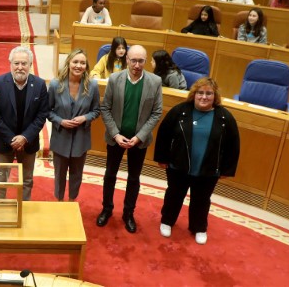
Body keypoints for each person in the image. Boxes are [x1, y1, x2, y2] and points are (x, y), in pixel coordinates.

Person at [154, 77, 240, 245]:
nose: (204, 97)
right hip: (178, 165)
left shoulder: (224, 117)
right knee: (174, 194)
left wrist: (226, 170)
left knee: (201, 199)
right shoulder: (180, 111)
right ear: (194, 94)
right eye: (200, 92)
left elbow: (233, 145)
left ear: (215, 96)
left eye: (209, 93)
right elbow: (164, 135)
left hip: (208, 169)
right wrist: (162, 158)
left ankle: (199, 227)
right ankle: (167, 221)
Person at [97, 45, 163, 233]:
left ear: (146, 60)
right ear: (126, 59)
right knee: (110, 175)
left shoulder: (155, 81)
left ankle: (128, 213)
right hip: (115, 138)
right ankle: (107, 209)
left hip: (139, 141)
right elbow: (105, 108)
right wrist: (116, 134)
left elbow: (156, 112)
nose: (136, 65)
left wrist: (139, 137)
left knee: (133, 178)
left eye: (140, 61)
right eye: (133, 60)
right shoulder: (114, 79)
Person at [0, 46, 49, 201]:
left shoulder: (40, 85)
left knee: (26, 180)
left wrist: (25, 137)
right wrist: (12, 139)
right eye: (16, 63)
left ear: (30, 65)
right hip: (2, 141)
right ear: (10, 64)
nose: (20, 67)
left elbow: (42, 115)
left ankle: (24, 209)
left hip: (28, 142)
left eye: (24, 63)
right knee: (0, 181)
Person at [48, 49, 100, 201]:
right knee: (59, 175)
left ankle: (72, 201)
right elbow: (47, 111)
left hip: (81, 139)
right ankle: (59, 201)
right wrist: (60, 121)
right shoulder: (55, 84)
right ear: (68, 63)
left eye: (82, 63)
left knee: (77, 174)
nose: (78, 65)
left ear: (86, 65)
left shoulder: (92, 86)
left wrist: (85, 117)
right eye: (75, 62)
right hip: (60, 138)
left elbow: (96, 110)